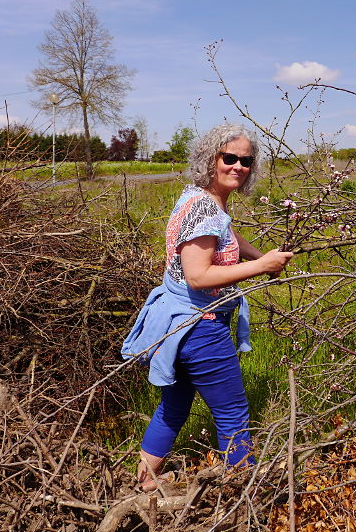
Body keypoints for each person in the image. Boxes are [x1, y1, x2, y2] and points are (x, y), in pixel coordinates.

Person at [121, 123, 293, 491]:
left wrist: (260, 254)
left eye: (246, 160)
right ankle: (243, 494)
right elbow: (198, 276)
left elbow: (227, 234)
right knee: (232, 413)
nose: (238, 166)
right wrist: (262, 267)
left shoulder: (202, 200)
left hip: (181, 325)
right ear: (209, 160)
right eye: (229, 158)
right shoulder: (203, 209)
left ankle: (145, 483)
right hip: (200, 325)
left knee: (174, 405)